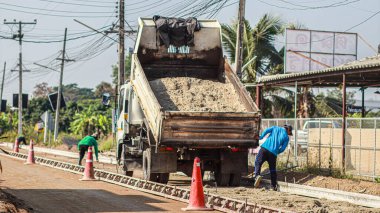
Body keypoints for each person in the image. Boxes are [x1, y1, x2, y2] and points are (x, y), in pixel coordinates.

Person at [253, 125, 292, 191]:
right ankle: (273, 186)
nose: (289, 134)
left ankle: (257, 176)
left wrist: (261, 137)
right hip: (273, 154)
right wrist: (276, 151)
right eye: (290, 133)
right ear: (288, 130)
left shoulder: (275, 128)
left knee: (258, 162)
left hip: (264, 148)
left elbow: (266, 130)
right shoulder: (286, 138)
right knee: (272, 169)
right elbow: (282, 148)